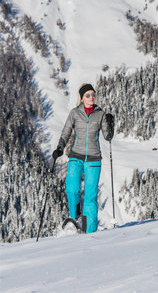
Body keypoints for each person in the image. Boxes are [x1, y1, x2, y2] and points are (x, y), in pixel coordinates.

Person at [52, 83, 114, 233]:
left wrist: (110, 123)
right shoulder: (75, 113)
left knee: (90, 198)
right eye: (88, 95)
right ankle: (75, 218)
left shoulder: (100, 114)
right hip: (76, 156)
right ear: (82, 98)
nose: (91, 97)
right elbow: (66, 131)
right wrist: (60, 147)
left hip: (93, 159)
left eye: (93, 94)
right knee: (72, 188)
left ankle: (90, 232)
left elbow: (108, 136)